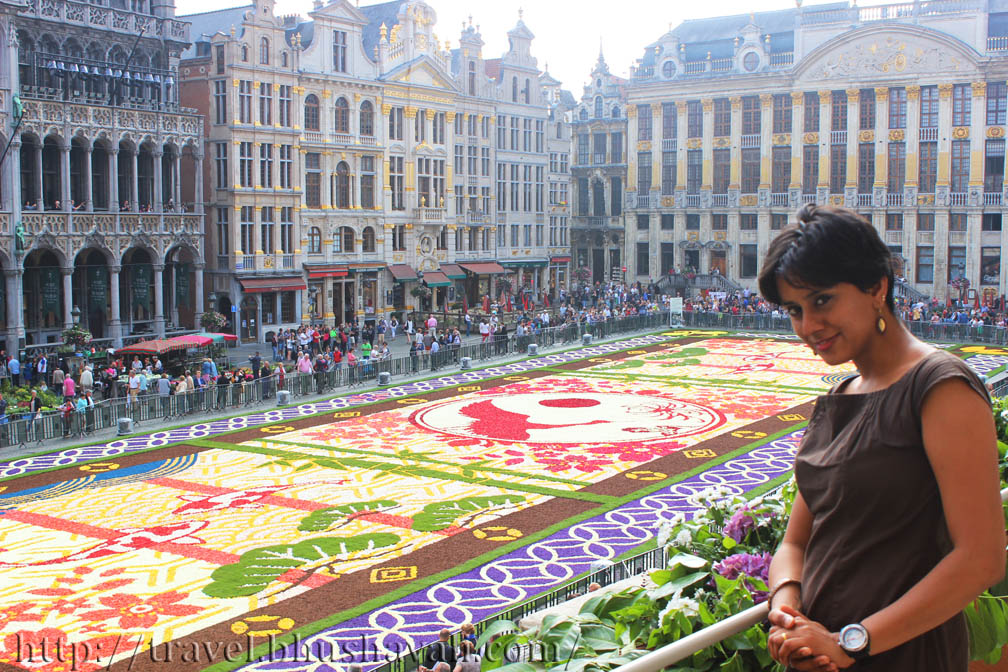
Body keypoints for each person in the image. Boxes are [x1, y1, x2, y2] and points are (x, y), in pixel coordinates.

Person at [759, 205, 1005, 672]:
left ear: (877, 287)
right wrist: (787, 608)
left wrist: (852, 642)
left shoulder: (941, 387)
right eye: (794, 310)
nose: (808, 326)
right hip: (820, 651)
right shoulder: (840, 396)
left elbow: (981, 558)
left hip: (902, 653)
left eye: (822, 300)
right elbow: (796, 543)